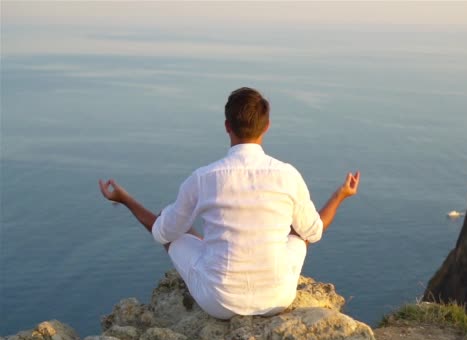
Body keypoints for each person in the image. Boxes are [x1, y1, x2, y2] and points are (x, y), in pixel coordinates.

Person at [98, 87, 360, 319]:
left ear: (227, 126)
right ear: (267, 126)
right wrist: (340, 195)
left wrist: (125, 199)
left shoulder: (203, 178)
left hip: (219, 302)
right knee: (300, 233)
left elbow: (162, 233)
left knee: (172, 231)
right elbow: (314, 232)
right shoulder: (288, 175)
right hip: (277, 298)